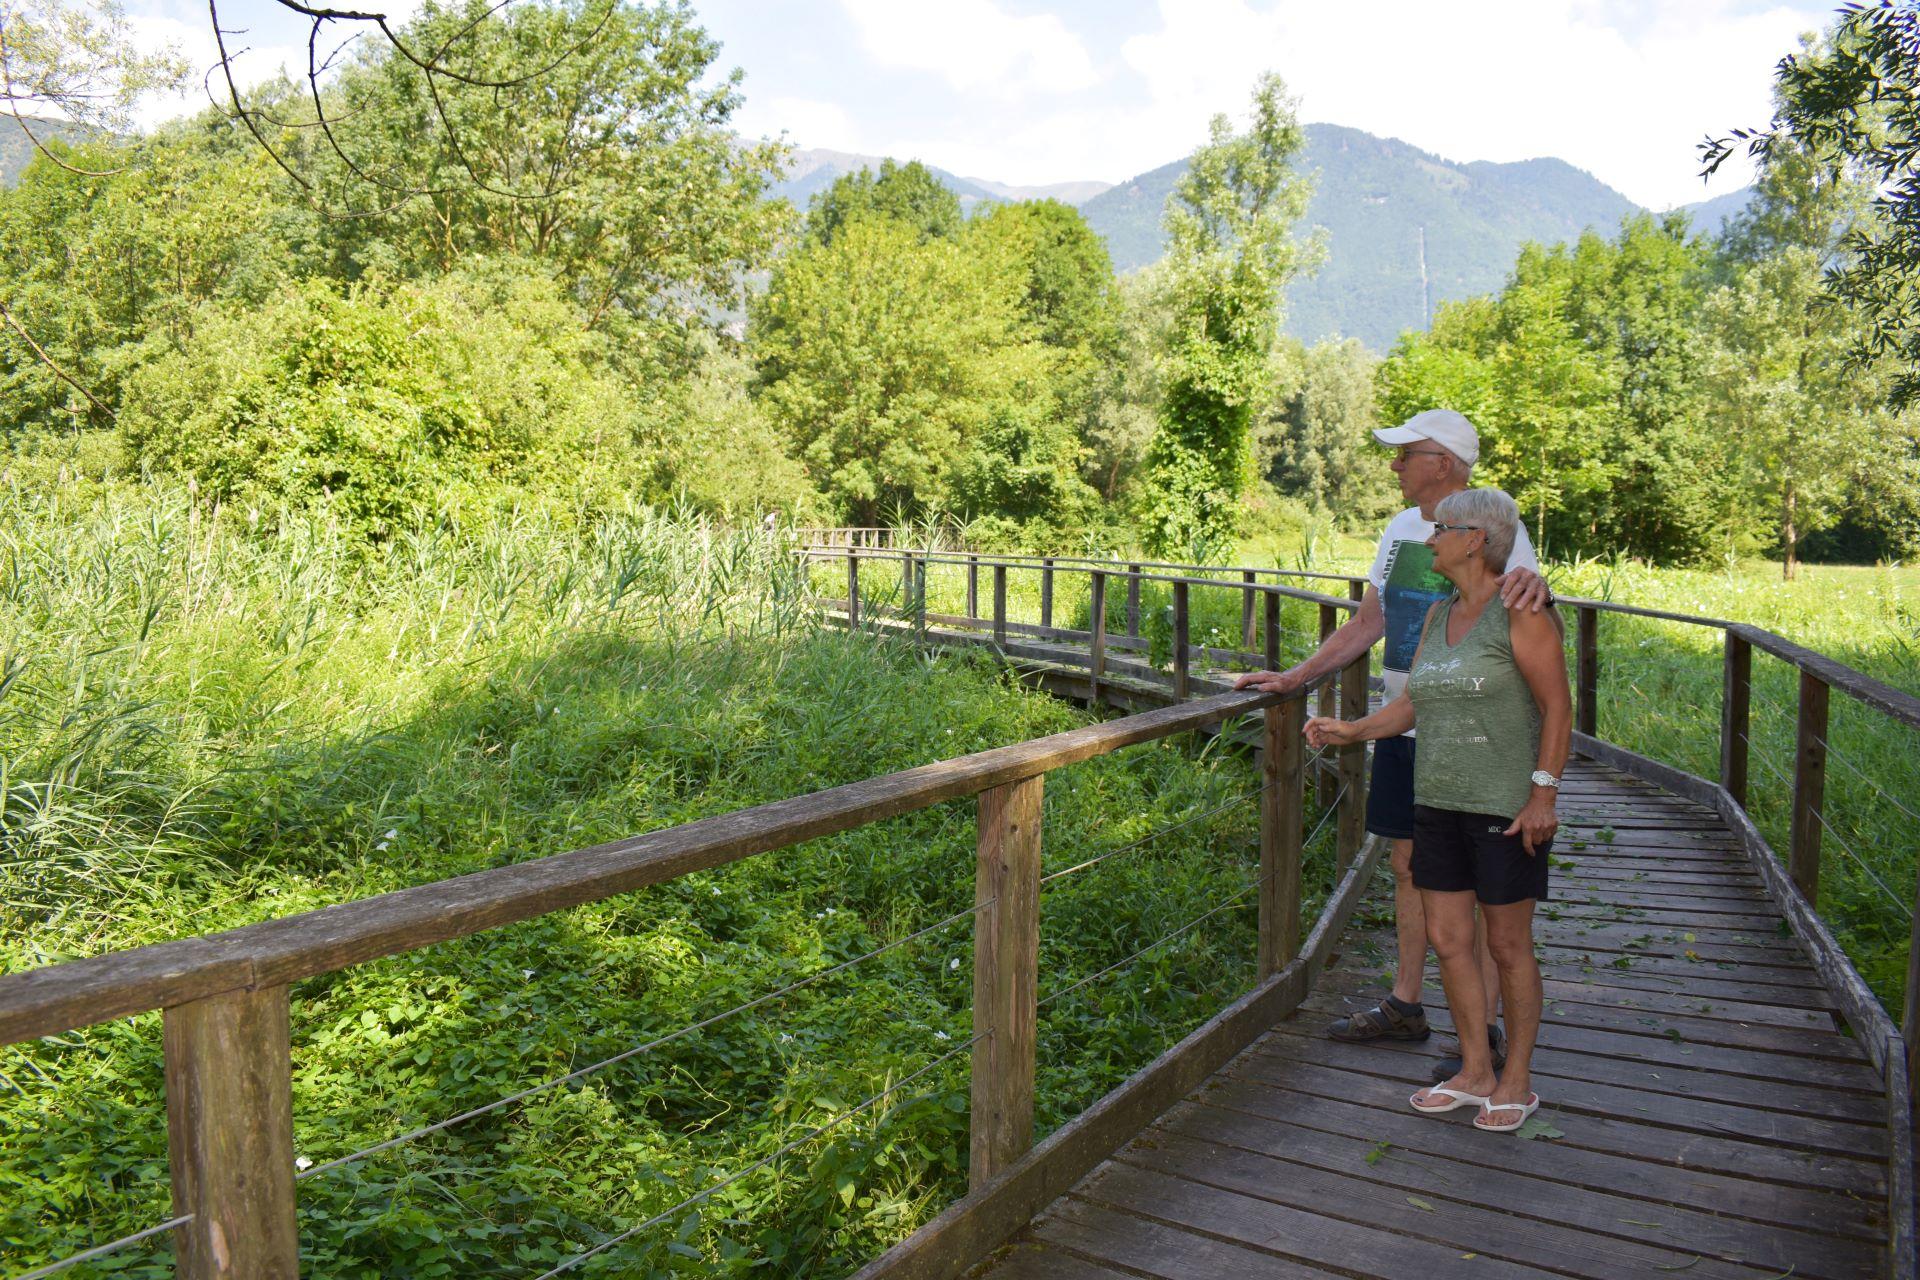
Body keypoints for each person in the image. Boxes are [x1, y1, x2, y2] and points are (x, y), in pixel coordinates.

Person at [1233, 409, 1550, 1079]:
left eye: (1407, 454)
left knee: (1487, 892)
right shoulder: (1403, 531)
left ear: (1443, 461)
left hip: (1478, 733)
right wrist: (1295, 677)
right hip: (1407, 718)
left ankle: (1487, 1034)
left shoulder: (1497, 529)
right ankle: (1408, 1002)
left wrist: (1543, 779)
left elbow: (1527, 611)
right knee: (1411, 864)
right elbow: (1370, 622)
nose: (1395, 465)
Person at [1303, 486, 1570, 1131]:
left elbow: (1559, 708)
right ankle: (1475, 1071)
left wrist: (1542, 795)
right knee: (1451, 942)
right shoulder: (1434, 616)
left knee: (1507, 946)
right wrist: (1353, 730)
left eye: (1441, 529)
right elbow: (1413, 705)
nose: (1429, 540)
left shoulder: (1521, 612)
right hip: (1438, 801)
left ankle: (1516, 1080)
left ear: (1475, 539)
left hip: (1504, 806)